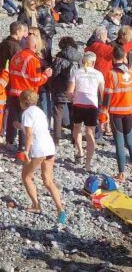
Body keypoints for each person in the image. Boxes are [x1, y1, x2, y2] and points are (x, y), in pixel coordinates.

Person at [18, 90, 66, 223]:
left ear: (23, 102)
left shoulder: (26, 113)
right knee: (48, 181)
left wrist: (26, 151)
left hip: (38, 148)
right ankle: (60, 209)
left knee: (26, 177)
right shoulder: (39, 111)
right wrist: (19, 126)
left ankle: (36, 205)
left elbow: (29, 135)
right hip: (49, 146)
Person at [100, 45, 132, 183]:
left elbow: (107, 97)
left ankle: (122, 174)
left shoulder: (111, 74)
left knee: (119, 143)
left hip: (116, 113)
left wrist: (103, 117)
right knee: (131, 142)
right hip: (129, 112)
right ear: (124, 57)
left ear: (112, 58)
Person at [6, 34, 51, 152]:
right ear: (36, 45)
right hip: (26, 95)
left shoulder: (16, 56)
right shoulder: (33, 60)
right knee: (25, 121)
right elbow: (36, 81)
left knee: (13, 118)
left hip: (14, 91)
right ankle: (22, 147)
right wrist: (46, 75)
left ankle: (9, 141)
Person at [66, 51, 104, 170]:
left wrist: (72, 98)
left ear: (83, 61)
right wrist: (103, 108)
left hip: (78, 104)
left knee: (77, 128)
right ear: (93, 62)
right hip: (92, 105)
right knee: (90, 132)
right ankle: (87, 163)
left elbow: (69, 92)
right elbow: (103, 93)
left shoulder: (77, 73)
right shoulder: (99, 74)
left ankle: (80, 152)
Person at [50, 37, 81, 146]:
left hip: (60, 90)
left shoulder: (59, 58)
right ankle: (75, 138)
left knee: (58, 114)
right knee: (74, 114)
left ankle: (56, 139)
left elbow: (54, 74)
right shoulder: (79, 58)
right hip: (74, 89)